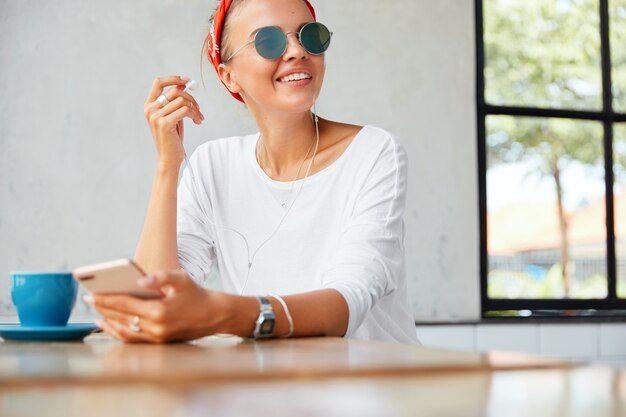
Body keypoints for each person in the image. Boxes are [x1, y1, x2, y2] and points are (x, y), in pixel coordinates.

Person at [86, 0, 418, 344]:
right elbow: (153, 305)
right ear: (228, 76)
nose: (297, 51)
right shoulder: (211, 166)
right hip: (270, 393)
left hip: (377, 388)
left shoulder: (374, 152)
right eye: (269, 41)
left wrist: (219, 313)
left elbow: (346, 304)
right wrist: (167, 166)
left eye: (310, 36)